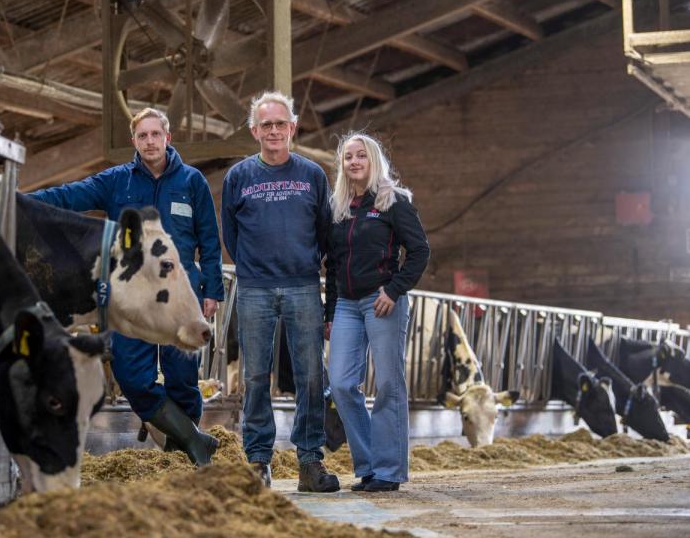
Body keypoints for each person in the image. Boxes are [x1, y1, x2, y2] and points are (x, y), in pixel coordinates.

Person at [30, 107, 223, 466]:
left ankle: (181, 455)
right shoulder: (117, 180)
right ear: (134, 141)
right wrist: (25, 202)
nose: (149, 141)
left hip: (180, 293)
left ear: (168, 138)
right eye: (142, 136)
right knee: (131, 375)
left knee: (182, 377)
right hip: (131, 295)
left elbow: (209, 240)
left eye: (155, 134)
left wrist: (212, 290)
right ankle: (195, 440)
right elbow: (70, 195)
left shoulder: (192, 181)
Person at [221, 91, 339, 492]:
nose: (274, 130)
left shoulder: (313, 175)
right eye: (265, 124)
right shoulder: (239, 177)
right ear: (255, 131)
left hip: (303, 285)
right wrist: (257, 267)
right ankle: (258, 461)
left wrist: (301, 263)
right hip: (254, 288)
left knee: (310, 376)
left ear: (293, 127)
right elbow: (230, 236)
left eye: (280, 123)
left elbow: (325, 231)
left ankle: (309, 462)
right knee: (255, 377)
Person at [324, 132, 430, 492]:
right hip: (347, 307)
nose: (354, 162)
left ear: (373, 160)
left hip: (383, 301)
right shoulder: (337, 208)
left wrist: (395, 289)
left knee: (387, 383)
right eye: (348, 157)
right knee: (339, 382)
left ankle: (388, 471)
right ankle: (368, 463)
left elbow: (419, 252)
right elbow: (334, 265)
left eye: (361, 156)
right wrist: (330, 312)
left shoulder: (393, 201)